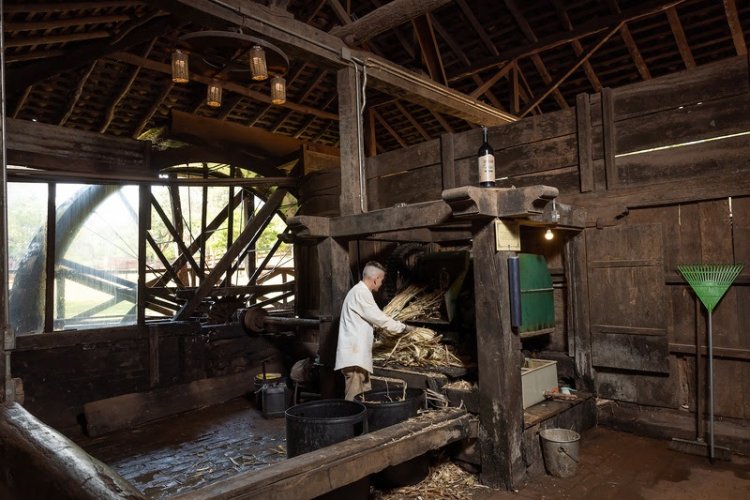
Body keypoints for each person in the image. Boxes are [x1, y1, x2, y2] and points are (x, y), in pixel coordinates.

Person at [334, 261, 414, 400]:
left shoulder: (359, 292)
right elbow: (379, 318)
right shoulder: (360, 293)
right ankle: (351, 421)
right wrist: (404, 328)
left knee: (364, 394)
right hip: (354, 358)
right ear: (376, 279)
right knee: (354, 397)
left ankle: (362, 421)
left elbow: (372, 319)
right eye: (382, 280)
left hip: (358, 357)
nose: (382, 283)